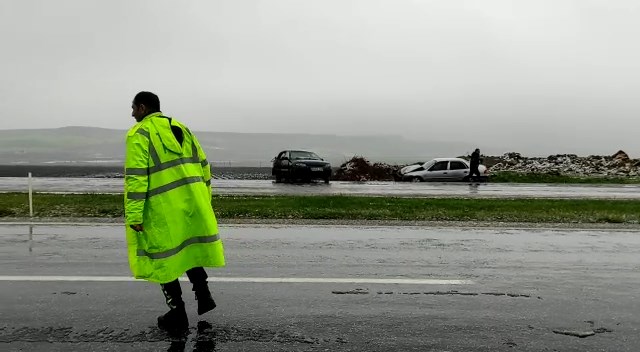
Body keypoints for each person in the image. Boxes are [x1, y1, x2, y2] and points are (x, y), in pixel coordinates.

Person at [124, 91, 225, 333]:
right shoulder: (182, 128)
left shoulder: (140, 134)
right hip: (192, 203)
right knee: (188, 251)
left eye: (133, 108)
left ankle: (177, 313)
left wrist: (135, 215)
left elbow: (137, 178)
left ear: (143, 107)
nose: (131, 114)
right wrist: (204, 200)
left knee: (164, 258)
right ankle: (203, 295)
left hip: (162, 208)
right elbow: (204, 165)